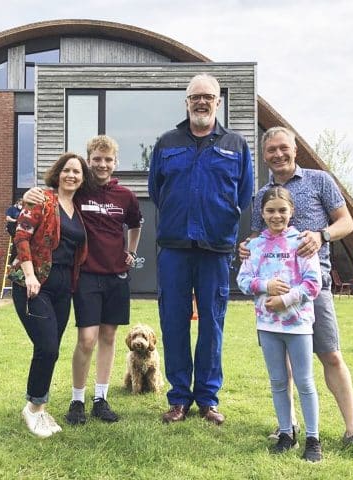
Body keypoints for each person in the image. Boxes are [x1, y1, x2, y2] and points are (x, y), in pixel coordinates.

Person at [239, 126, 353, 463]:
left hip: (311, 285)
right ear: (265, 155)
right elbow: (260, 236)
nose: (278, 154)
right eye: (271, 149)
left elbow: (345, 222)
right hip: (274, 293)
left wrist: (321, 235)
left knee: (330, 354)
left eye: (283, 148)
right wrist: (246, 247)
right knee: (283, 365)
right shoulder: (263, 194)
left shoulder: (320, 180)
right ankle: (287, 426)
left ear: (295, 149)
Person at [148, 73, 253, 425]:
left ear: (218, 102)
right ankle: (179, 399)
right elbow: (156, 191)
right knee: (174, 323)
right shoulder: (166, 142)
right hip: (175, 248)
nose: (202, 102)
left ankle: (207, 399)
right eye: (195, 97)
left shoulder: (236, 145)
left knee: (212, 324)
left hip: (216, 249)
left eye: (208, 96)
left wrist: (219, 219)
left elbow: (243, 195)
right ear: (186, 102)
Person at [24, 135, 142, 425]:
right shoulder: (80, 191)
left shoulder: (125, 196)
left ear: (116, 163)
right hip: (87, 275)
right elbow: (53, 196)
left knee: (109, 337)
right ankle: (77, 400)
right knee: (87, 340)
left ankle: (100, 398)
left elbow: (136, 223)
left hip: (116, 276)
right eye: (97, 159)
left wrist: (132, 252)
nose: (102, 164)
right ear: (90, 161)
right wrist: (28, 195)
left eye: (108, 159)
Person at [237, 186, 323, 462]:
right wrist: (266, 285)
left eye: (282, 210)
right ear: (261, 213)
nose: (276, 216)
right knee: (277, 381)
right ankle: (286, 433)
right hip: (267, 325)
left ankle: (313, 438)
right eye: (270, 211)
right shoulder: (254, 246)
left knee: (304, 381)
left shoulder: (303, 242)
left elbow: (313, 284)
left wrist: (286, 299)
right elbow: (242, 281)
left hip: (298, 325)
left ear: (292, 211)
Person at [10, 152, 92, 438]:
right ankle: (33, 409)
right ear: (57, 174)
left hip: (63, 287)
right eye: (67, 170)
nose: (72, 175)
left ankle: (39, 407)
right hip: (34, 283)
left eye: (78, 172)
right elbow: (21, 234)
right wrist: (30, 275)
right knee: (47, 347)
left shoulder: (78, 209)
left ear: (83, 179)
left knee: (50, 349)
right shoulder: (42, 200)